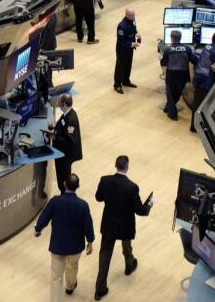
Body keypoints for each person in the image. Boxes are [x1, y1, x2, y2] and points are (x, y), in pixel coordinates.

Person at [94, 156, 152, 300]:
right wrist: (149, 206)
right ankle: (129, 264)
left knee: (105, 253)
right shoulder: (132, 187)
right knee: (126, 245)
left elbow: (98, 198)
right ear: (127, 167)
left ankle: (100, 289)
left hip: (108, 223)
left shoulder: (104, 180)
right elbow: (140, 210)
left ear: (115, 165)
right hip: (125, 225)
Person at [34, 173, 95, 301]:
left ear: (64, 184)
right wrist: (90, 241)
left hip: (58, 245)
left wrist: (38, 229)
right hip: (76, 246)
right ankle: (70, 286)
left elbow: (44, 217)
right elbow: (88, 225)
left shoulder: (55, 201)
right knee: (72, 267)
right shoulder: (83, 205)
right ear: (78, 186)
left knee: (56, 276)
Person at [191, 32, 215, 132]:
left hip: (198, 78)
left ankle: (193, 126)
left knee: (196, 104)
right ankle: (200, 127)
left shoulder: (207, 47)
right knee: (204, 106)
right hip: (206, 81)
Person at [160, 29, 195, 121]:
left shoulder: (168, 50)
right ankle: (168, 107)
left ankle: (173, 115)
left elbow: (164, 63)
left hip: (172, 74)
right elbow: (193, 60)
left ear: (172, 39)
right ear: (180, 38)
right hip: (183, 75)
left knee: (170, 94)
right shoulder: (187, 48)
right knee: (177, 93)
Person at [51, 94, 82, 193]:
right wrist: (55, 126)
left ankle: (64, 194)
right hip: (62, 153)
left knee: (63, 176)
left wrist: (55, 137)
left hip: (65, 155)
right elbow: (62, 125)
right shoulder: (67, 114)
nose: (57, 104)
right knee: (61, 176)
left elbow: (70, 140)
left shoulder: (71, 118)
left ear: (64, 104)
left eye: (59, 102)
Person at [113, 10, 141, 94]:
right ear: (127, 15)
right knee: (120, 67)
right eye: (132, 16)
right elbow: (121, 41)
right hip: (122, 49)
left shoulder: (133, 21)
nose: (133, 17)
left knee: (128, 65)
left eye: (134, 15)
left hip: (129, 49)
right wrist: (133, 44)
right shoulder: (122, 26)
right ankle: (117, 84)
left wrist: (137, 36)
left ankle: (126, 80)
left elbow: (134, 30)